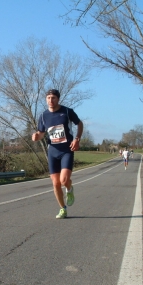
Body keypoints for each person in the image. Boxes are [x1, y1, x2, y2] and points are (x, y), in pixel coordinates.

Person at [32, 89, 83, 219]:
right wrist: (36, 136)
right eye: (48, 98)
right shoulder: (44, 115)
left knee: (64, 180)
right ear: (46, 99)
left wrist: (77, 139)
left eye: (53, 98)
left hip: (66, 150)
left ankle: (70, 189)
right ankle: (63, 209)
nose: (51, 100)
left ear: (58, 99)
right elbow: (41, 133)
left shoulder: (67, 111)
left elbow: (79, 123)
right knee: (55, 183)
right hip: (53, 151)